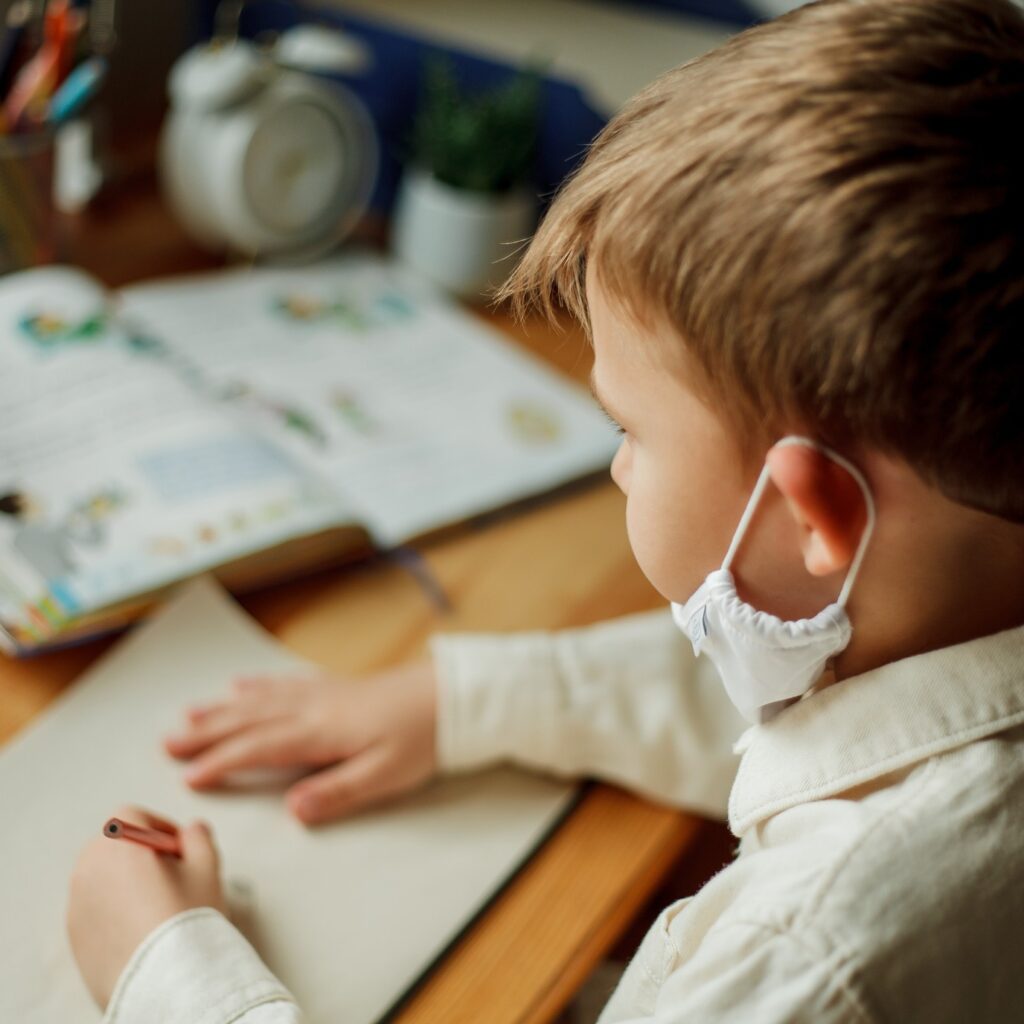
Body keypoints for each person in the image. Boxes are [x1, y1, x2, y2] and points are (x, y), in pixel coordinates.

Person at [67, 0, 1024, 1019]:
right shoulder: (961, 597)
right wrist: (464, 702)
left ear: (815, 513)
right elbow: (839, 704)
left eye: (630, 430)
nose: (617, 467)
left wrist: (165, 972)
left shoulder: (797, 961)